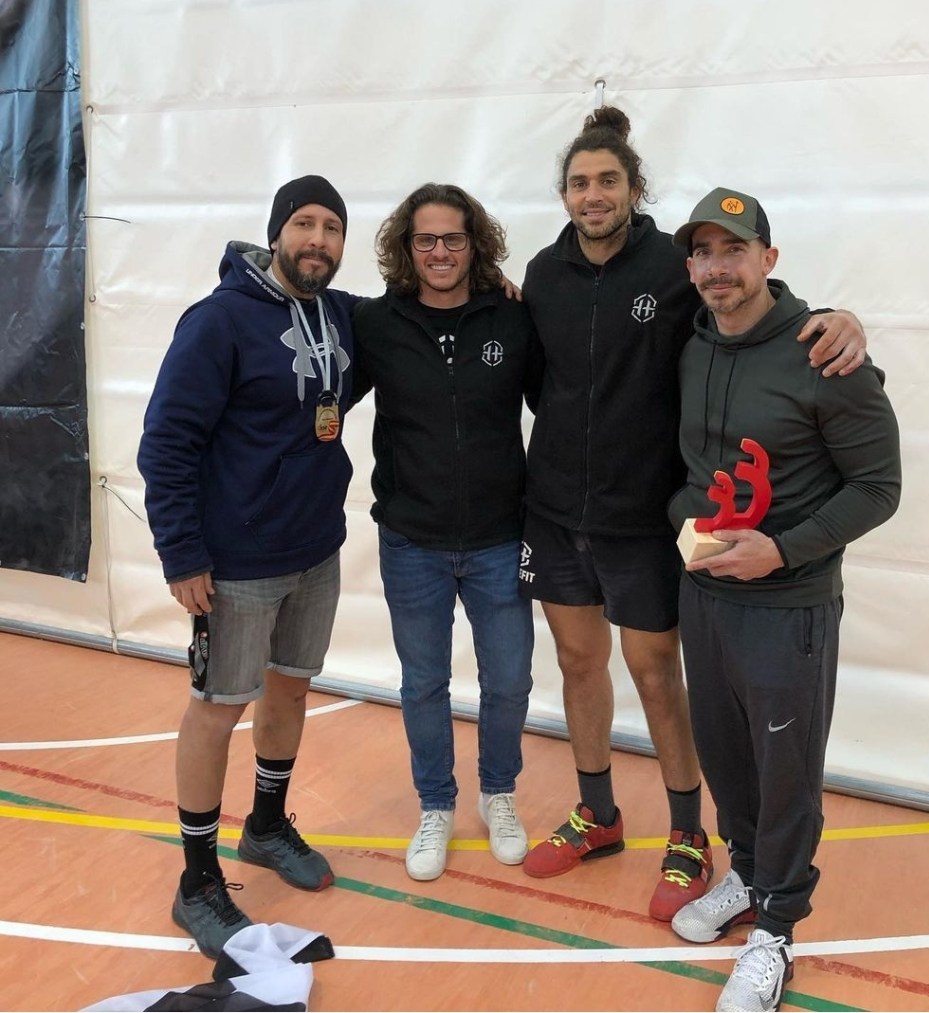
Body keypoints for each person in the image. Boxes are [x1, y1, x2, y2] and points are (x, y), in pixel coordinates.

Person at [518, 107, 869, 923]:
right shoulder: (541, 272)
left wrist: (838, 318)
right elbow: (540, 381)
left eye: (609, 180)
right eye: (580, 182)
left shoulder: (674, 267)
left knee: (654, 673)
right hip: (556, 509)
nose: (594, 193)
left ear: (633, 188)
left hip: (647, 514)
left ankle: (687, 834)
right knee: (577, 662)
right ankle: (598, 813)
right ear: (564, 194)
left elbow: (748, 308)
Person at [667, 188, 900, 1011]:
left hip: (790, 605)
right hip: (704, 597)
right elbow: (693, 472)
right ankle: (748, 874)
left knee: (786, 773)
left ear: (768, 258)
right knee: (725, 755)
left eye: (734, 249)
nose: (717, 267)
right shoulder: (694, 345)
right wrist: (686, 530)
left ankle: (776, 930)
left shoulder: (824, 354)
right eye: (703, 252)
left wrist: (784, 549)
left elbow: (879, 485)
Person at [137, 176, 357, 958]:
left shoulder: (340, 313)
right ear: (276, 233)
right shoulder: (219, 320)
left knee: (290, 687)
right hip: (235, 561)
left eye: (332, 227)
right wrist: (182, 552)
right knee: (217, 708)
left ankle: (265, 825)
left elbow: (419, 305)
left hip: (315, 550)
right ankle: (197, 880)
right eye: (305, 223)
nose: (318, 240)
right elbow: (166, 441)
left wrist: (495, 284)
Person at [350, 183, 542, 881]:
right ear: (407, 247)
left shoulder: (513, 318)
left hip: (499, 539)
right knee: (424, 683)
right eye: (425, 239)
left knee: (510, 680)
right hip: (412, 542)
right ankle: (436, 804)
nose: (439, 252)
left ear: (474, 245)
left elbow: (563, 399)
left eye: (453, 239)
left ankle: (498, 792)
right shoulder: (374, 324)